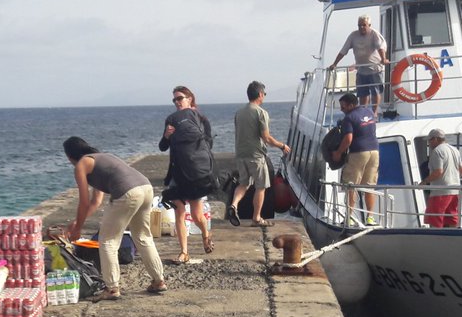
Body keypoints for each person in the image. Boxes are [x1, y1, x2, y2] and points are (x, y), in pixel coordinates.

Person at [62, 137, 167, 301]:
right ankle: (159, 280)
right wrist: (77, 223)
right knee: (143, 236)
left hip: (127, 193)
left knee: (108, 241)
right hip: (146, 188)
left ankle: (111, 288)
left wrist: (77, 229)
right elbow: (95, 201)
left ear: (69, 156)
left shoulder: (82, 164)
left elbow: (83, 201)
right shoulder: (100, 158)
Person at [158, 85, 216, 263]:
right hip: (177, 172)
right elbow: (162, 147)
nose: (177, 102)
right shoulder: (172, 120)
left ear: (190, 99)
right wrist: (167, 135)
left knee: (197, 215)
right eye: (174, 99)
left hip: (195, 171)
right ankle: (184, 251)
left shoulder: (201, 119)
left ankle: (205, 233)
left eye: (180, 98)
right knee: (179, 212)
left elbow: (208, 145)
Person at [228, 81, 291, 228]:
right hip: (256, 156)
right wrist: (282, 146)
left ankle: (234, 205)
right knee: (261, 186)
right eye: (264, 94)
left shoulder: (239, 113)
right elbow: (266, 138)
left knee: (243, 183)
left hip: (241, 154)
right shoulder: (261, 113)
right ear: (260, 94)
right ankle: (256, 218)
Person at [332, 92, 379, 225]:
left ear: (351, 105)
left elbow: (348, 139)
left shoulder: (349, 117)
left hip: (359, 152)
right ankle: (370, 217)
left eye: (343, 106)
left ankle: (349, 217)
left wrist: (338, 152)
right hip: (374, 151)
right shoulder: (369, 112)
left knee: (351, 185)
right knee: (369, 186)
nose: (342, 109)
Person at [329, 14, 389, 115]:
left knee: (375, 92)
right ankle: (363, 113)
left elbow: (380, 48)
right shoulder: (353, 36)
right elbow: (344, 50)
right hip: (361, 70)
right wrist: (334, 63)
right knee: (362, 93)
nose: (361, 27)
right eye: (359, 25)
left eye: (364, 25)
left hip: (375, 69)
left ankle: (374, 113)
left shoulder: (374, 34)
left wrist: (383, 59)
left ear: (369, 25)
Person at [420, 128, 462, 228]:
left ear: (435, 139)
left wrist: (424, 182)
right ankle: (454, 239)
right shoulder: (455, 150)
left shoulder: (437, 151)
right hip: (455, 190)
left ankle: (435, 241)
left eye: (429, 140)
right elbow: (461, 171)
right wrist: (453, 179)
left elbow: (438, 172)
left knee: (435, 219)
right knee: (452, 219)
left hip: (440, 192)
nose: (428, 143)